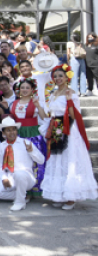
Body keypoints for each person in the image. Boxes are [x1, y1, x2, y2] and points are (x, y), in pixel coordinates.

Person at [41, 65, 98, 209]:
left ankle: (71, 197)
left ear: (67, 77)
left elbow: (74, 115)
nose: (58, 78)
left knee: (68, 160)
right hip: (56, 128)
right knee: (56, 160)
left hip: (69, 128)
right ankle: (59, 194)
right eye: (55, 76)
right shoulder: (53, 93)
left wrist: (69, 101)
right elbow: (51, 113)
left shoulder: (71, 93)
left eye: (61, 76)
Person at [0, 117, 45, 211]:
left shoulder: (26, 142)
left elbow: (41, 160)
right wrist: (4, 178)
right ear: (3, 133)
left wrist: (31, 152)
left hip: (26, 177)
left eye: (14, 129)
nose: (12, 132)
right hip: (10, 178)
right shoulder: (2, 146)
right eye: (8, 130)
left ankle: (20, 202)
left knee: (19, 174)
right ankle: (22, 195)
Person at [10, 79, 48, 196]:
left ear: (32, 90)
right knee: (20, 161)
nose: (25, 90)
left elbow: (45, 117)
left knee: (35, 162)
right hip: (19, 135)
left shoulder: (36, 102)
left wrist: (38, 106)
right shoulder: (14, 103)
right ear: (19, 90)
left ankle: (36, 188)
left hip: (33, 135)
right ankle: (23, 190)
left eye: (27, 88)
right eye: (23, 88)